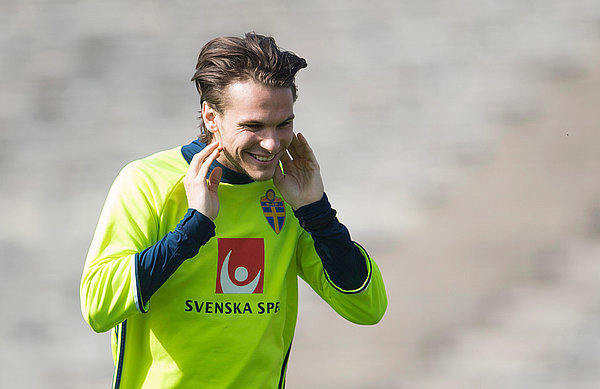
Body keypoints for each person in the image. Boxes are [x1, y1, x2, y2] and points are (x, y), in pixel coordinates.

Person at [80, 32, 387, 389]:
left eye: (283, 124)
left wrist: (317, 212)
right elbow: (98, 308)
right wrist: (193, 228)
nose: (271, 143)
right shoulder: (147, 182)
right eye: (253, 126)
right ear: (211, 116)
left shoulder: (291, 195)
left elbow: (367, 307)